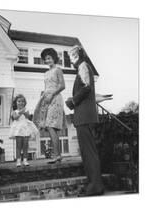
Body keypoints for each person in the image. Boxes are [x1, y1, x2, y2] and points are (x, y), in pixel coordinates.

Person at [65, 45, 104, 196]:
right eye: (70, 56)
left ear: (80, 55)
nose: (71, 59)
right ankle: (94, 185)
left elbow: (87, 87)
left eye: (73, 55)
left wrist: (72, 101)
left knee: (89, 153)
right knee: (88, 153)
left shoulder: (83, 66)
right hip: (84, 117)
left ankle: (95, 186)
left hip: (85, 117)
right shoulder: (82, 68)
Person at [33, 48, 66, 163]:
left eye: (49, 58)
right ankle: (57, 155)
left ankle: (56, 155)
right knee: (50, 127)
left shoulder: (58, 70)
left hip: (55, 98)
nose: (47, 60)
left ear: (54, 58)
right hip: (46, 99)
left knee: (51, 126)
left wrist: (52, 94)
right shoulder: (45, 73)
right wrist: (43, 95)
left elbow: (62, 86)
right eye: (45, 59)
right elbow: (46, 87)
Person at [9, 94, 39, 167]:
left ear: (24, 103)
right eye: (19, 101)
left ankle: (25, 160)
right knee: (18, 146)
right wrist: (20, 112)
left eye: (22, 101)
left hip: (25, 129)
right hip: (18, 130)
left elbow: (28, 116)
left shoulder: (26, 110)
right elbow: (15, 117)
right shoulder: (14, 111)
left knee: (25, 145)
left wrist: (24, 112)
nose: (21, 103)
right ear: (16, 103)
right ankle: (18, 160)